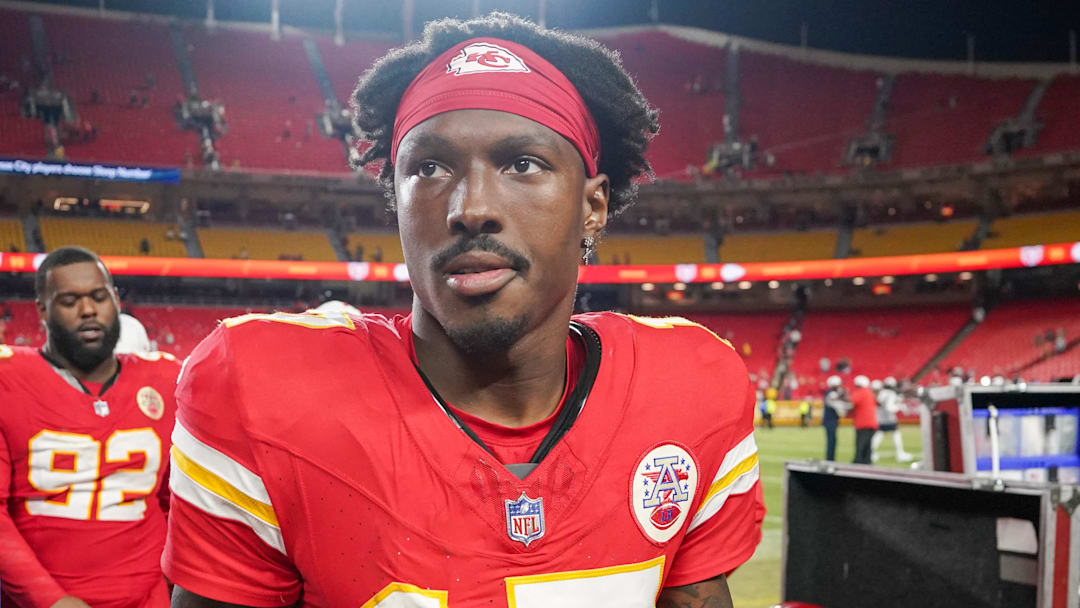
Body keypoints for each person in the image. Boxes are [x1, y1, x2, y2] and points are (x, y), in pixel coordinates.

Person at [164, 13, 763, 608]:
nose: (470, 207)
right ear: (394, 202)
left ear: (593, 206)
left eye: (521, 164)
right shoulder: (261, 390)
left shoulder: (689, 387)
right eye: (428, 168)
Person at [0, 246, 179, 608]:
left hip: (149, 596)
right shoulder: (8, 379)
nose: (88, 311)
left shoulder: (165, 378)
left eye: (99, 297)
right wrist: (51, 600)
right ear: (42, 310)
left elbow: (173, 503)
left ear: (115, 299)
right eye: (69, 300)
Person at [871, 376, 911, 463]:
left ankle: (871, 453)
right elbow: (890, 408)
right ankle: (900, 454)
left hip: (880, 418)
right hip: (889, 419)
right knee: (896, 435)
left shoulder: (881, 393)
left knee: (879, 435)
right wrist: (899, 406)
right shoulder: (891, 394)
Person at [850, 375, 878, 464]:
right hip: (871, 423)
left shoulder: (861, 392)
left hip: (863, 423)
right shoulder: (869, 392)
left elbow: (851, 403)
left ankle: (858, 461)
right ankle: (867, 461)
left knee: (860, 444)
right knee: (868, 445)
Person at [822, 375, 849, 461]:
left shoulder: (832, 393)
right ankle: (830, 458)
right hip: (830, 420)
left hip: (831, 420)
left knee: (832, 440)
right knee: (831, 440)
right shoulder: (831, 393)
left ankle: (831, 457)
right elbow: (838, 406)